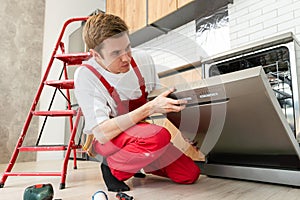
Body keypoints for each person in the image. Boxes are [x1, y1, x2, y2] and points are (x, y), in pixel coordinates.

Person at [74, 12, 200, 192]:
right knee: (158, 135)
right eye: (116, 53)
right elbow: (102, 133)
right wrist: (149, 108)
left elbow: (162, 102)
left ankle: (139, 161)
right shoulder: (86, 75)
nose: (126, 58)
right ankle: (112, 168)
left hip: (141, 138)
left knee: (189, 173)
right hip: (109, 140)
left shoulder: (142, 60)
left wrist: (186, 130)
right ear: (96, 55)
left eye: (127, 48)